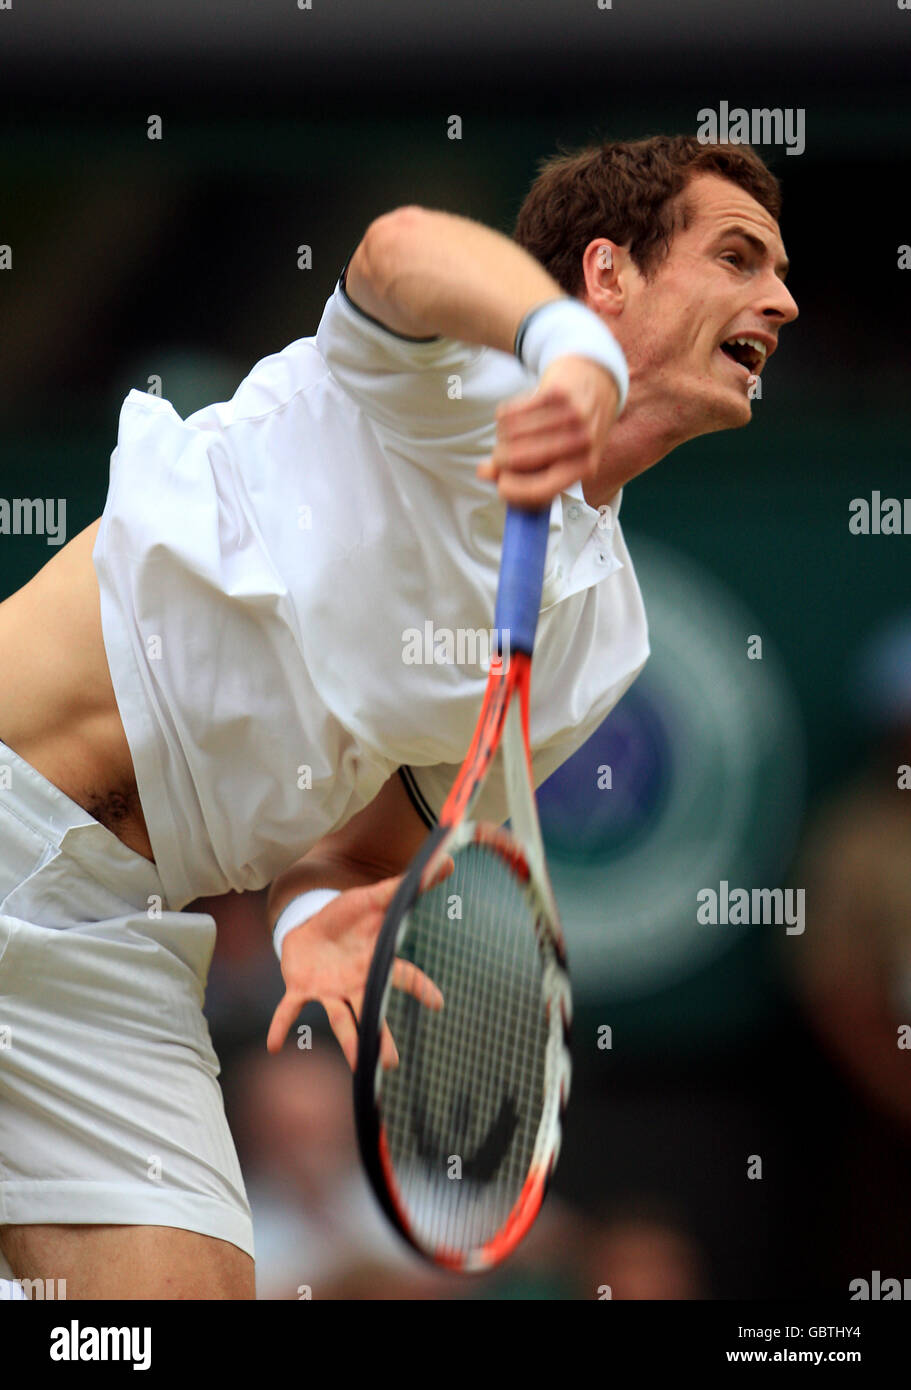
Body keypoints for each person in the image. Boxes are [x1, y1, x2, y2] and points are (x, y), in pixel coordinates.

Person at [0, 134, 797, 1299]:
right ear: (607, 272)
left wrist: (311, 910)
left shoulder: (600, 638)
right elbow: (394, 247)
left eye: (775, 271)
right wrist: (563, 350)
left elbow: (370, 835)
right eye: (736, 256)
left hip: (107, 936)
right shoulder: (450, 376)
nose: (778, 297)